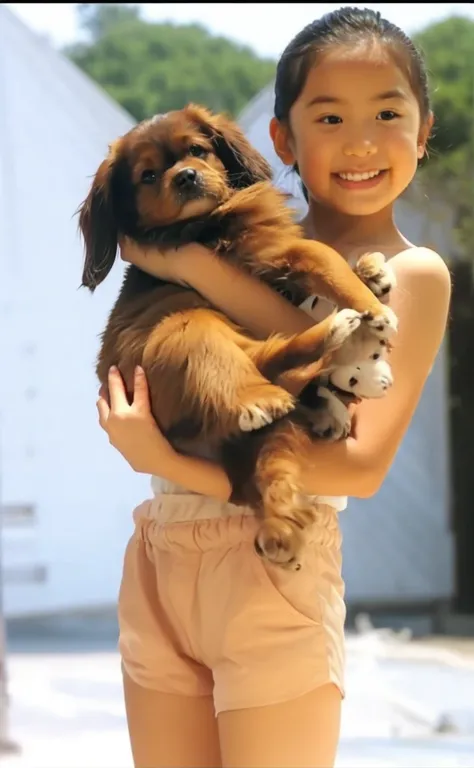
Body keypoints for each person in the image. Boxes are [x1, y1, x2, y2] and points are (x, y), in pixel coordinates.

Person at [96, 7, 451, 768]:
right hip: (161, 551)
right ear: (282, 140)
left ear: (423, 130)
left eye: (388, 113)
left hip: (273, 555)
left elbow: (360, 466)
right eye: (330, 115)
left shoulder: (412, 274)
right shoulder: (239, 228)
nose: (360, 140)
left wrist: (152, 452)